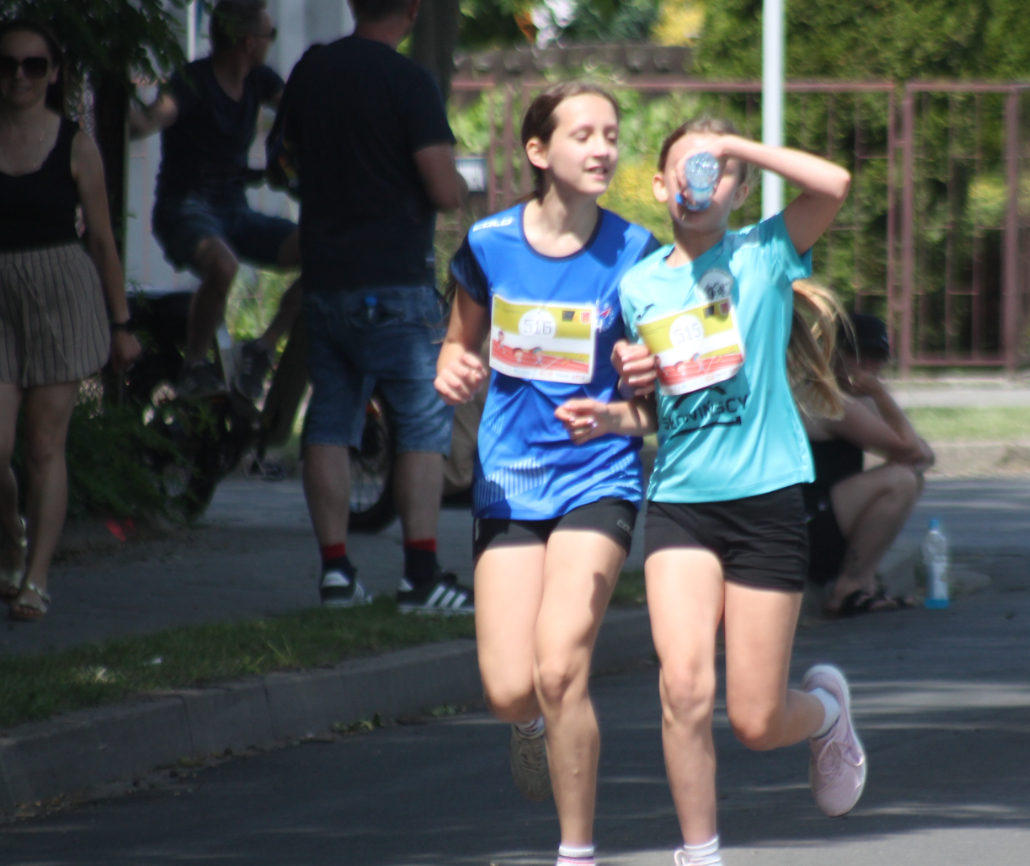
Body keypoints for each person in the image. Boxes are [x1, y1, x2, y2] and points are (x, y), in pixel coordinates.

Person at [564, 118, 866, 866]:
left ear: (738, 188)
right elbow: (655, 409)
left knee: (757, 723)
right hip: (682, 505)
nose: (700, 180)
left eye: (718, 171)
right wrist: (612, 415)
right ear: (661, 185)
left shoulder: (764, 253)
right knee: (684, 689)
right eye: (687, 168)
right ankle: (701, 855)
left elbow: (834, 184)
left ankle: (826, 712)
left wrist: (737, 148)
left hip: (767, 500)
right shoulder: (640, 287)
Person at [434, 82, 659, 866]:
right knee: (509, 688)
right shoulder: (490, 244)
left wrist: (635, 389)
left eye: (612, 135)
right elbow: (458, 342)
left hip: (598, 477)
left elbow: (662, 402)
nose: (603, 148)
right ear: (538, 151)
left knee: (561, 667)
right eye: (584, 134)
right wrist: (453, 368)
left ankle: (576, 851)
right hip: (511, 478)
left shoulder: (637, 255)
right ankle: (529, 726)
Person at [276, 0, 464, 612]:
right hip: (394, 280)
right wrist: (458, 185)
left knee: (329, 423)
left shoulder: (312, 70)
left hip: (325, 279)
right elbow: (442, 187)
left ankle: (336, 573)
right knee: (422, 425)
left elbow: (282, 161)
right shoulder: (411, 82)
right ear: (412, 10)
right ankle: (421, 577)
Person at [0, 19, 141, 621]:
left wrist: (121, 324)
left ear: (54, 73)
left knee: (43, 445)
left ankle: (35, 579)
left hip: (59, 294)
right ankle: (11, 533)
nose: (20, 76)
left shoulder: (76, 144)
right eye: (8, 64)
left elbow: (103, 240)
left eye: (34, 65)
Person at [129, 0, 299, 399]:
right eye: (270, 35)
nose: (272, 42)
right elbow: (149, 120)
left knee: (325, 251)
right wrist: (123, 100)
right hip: (183, 208)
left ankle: (261, 349)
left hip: (234, 210)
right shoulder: (192, 82)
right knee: (223, 265)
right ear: (249, 41)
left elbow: (305, 110)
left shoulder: (259, 80)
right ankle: (195, 365)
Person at [801, 305, 935, 618]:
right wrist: (881, 395)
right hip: (802, 529)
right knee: (900, 481)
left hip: (820, 520)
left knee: (910, 478)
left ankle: (862, 582)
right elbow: (912, 452)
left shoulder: (852, 399)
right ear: (832, 353)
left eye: (876, 358)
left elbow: (924, 455)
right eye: (858, 355)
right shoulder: (826, 398)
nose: (867, 366)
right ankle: (848, 588)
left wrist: (876, 396)